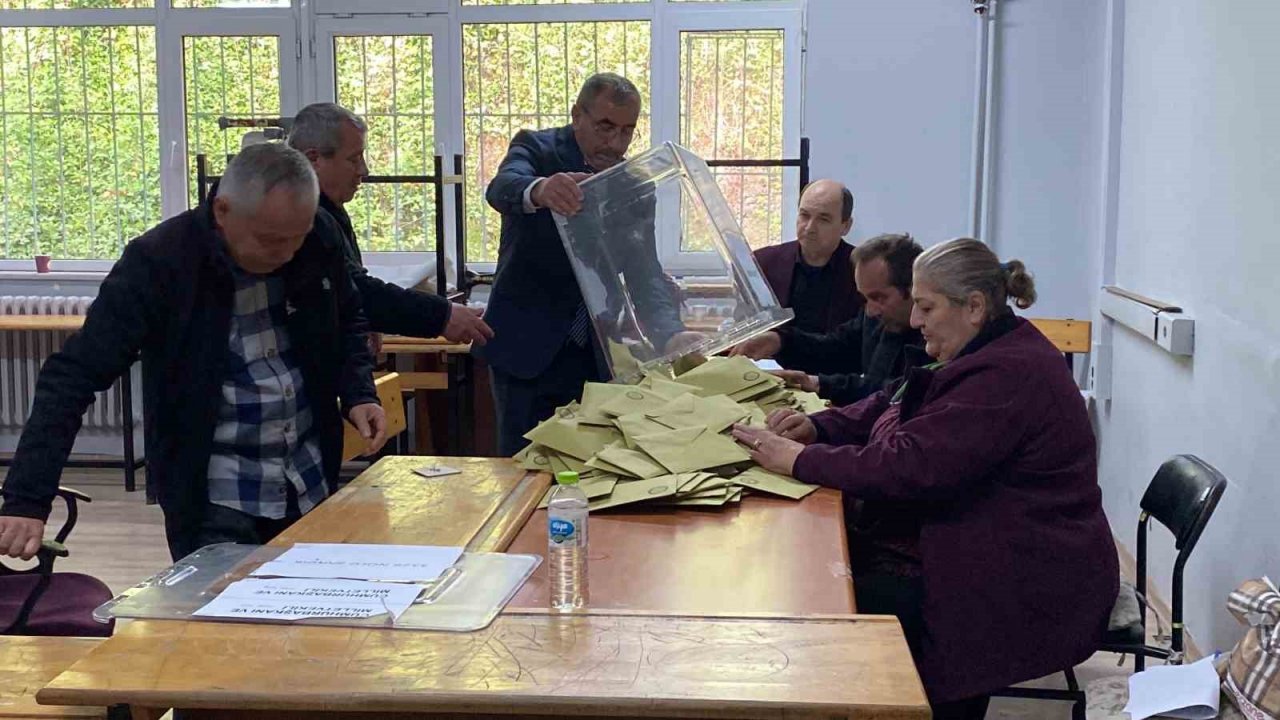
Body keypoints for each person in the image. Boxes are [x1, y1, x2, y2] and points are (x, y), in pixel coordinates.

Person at [731, 238, 1117, 718]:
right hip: (981, 542)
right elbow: (896, 397)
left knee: (826, 603)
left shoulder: (1007, 375)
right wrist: (820, 425)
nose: (915, 321)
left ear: (973, 306)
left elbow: (908, 467)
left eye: (927, 307)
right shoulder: (985, 346)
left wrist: (797, 460)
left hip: (1018, 573)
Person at [0, 144, 388, 562]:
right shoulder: (160, 261)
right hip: (212, 494)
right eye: (271, 240)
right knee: (225, 622)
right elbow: (73, 375)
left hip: (307, 478)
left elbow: (347, 318)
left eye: (298, 238)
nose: (287, 254)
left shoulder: (317, 238)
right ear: (223, 210)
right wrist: (27, 498)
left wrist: (358, 392)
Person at [479, 72, 698, 456]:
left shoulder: (634, 185)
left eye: (627, 131)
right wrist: (540, 189)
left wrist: (671, 334)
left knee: (590, 469)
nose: (615, 142)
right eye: (605, 127)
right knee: (523, 470)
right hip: (527, 350)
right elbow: (502, 186)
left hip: (596, 357)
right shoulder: (537, 148)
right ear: (577, 114)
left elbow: (645, 273)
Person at [287, 103, 493, 352]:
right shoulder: (301, 220)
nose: (364, 170)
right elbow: (353, 290)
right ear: (314, 159)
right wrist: (442, 315)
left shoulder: (328, 209)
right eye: (353, 159)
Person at [734, 233, 925, 406]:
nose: (871, 310)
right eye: (865, 298)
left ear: (912, 288)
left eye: (879, 297)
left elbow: (895, 391)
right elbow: (835, 348)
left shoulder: (934, 338)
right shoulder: (875, 316)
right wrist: (781, 341)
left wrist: (821, 384)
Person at [753, 180, 862, 334]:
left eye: (823, 219)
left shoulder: (861, 269)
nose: (810, 228)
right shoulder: (764, 263)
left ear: (846, 226)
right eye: (804, 215)